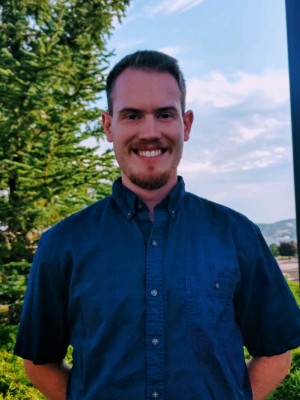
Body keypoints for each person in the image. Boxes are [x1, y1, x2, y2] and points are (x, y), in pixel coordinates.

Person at [14, 50, 300, 400]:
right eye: (132, 115)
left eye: (164, 114)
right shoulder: (62, 244)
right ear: (108, 126)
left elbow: (276, 351)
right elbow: (39, 361)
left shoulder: (237, 235)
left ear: (186, 124)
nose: (149, 132)